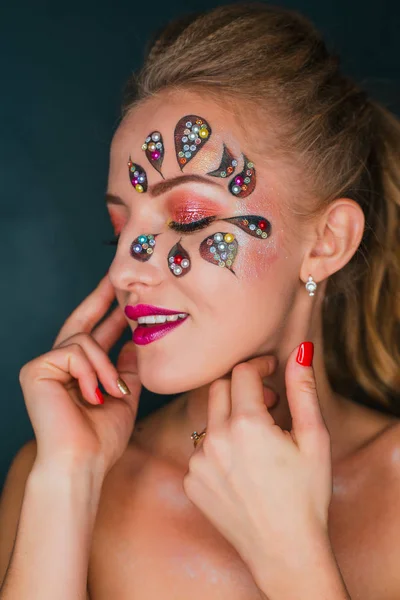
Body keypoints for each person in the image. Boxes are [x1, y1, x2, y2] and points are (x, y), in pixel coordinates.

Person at [1, 3, 400, 599]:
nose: (125, 270)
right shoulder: (61, 472)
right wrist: (68, 483)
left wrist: (295, 559)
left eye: (188, 219)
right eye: (120, 230)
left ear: (327, 241)